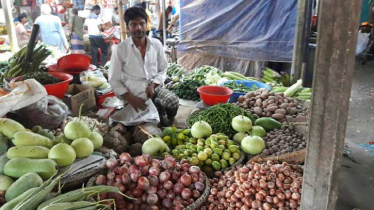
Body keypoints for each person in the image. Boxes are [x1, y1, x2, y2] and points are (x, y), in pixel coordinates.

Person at [109, 7, 179, 126]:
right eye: (133, 24)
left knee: (172, 102)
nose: (139, 28)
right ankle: (156, 110)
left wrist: (153, 85)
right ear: (127, 27)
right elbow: (114, 80)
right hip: (132, 92)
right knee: (139, 125)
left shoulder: (156, 44)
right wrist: (130, 98)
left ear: (146, 24)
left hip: (152, 89)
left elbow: (163, 69)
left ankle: (168, 120)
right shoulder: (120, 49)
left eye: (141, 23)